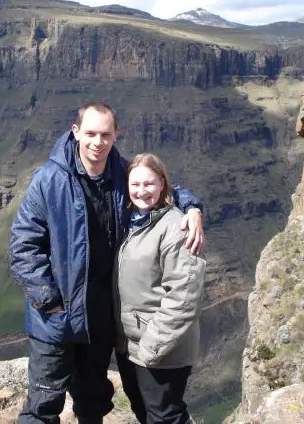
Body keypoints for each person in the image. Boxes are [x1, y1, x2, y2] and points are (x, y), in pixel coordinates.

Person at [9, 102, 204, 424]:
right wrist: (50, 303)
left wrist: (193, 207)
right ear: (75, 132)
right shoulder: (48, 180)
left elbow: (158, 187)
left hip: (99, 320)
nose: (97, 142)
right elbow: (23, 245)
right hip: (56, 321)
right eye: (90, 134)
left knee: (92, 403)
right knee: (42, 408)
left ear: (116, 134)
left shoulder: (120, 174)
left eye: (105, 134)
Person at [114, 153, 206, 424]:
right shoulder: (130, 220)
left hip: (160, 348)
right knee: (146, 413)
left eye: (149, 184)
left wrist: (152, 348)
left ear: (163, 184)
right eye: (135, 184)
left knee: (165, 417)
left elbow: (184, 296)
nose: (141, 191)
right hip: (131, 345)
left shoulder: (177, 228)